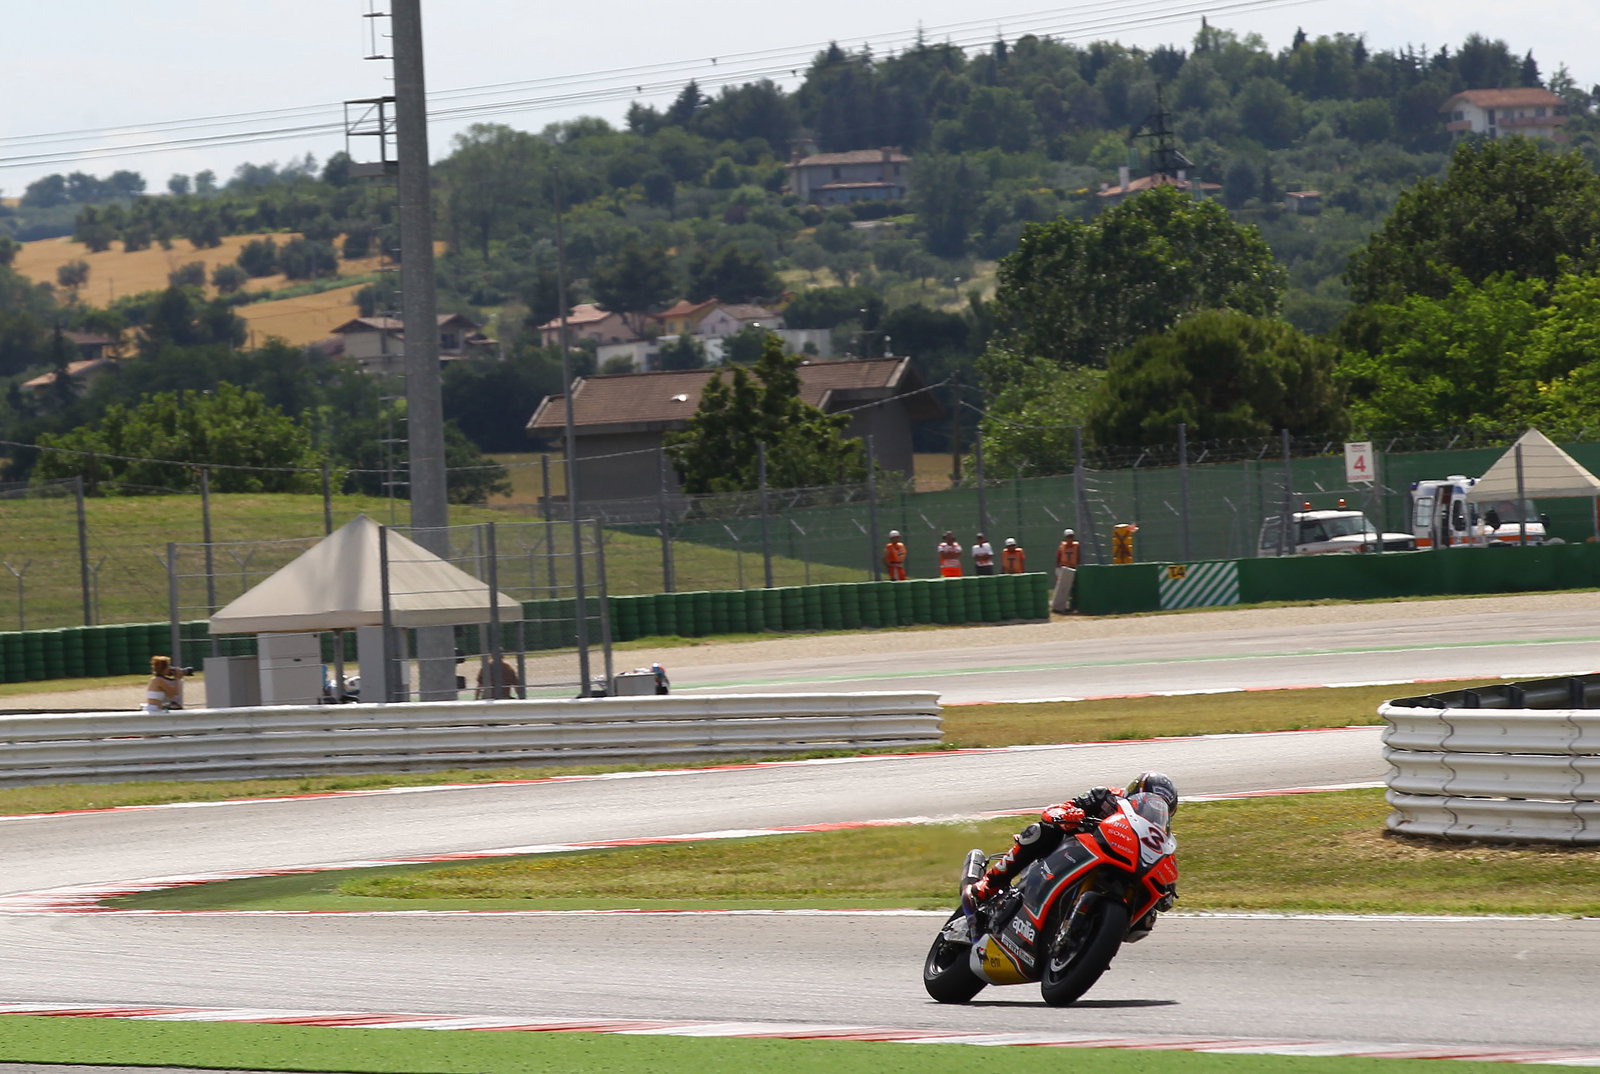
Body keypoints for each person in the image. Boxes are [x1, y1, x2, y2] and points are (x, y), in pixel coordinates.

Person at [969, 771, 1179, 906]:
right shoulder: (1106, 796)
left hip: (1121, 863)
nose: (1151, 810)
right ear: (1134, 793)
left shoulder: (1159, 838)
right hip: (1073, 850)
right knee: (1040, 831)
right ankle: (990, 883)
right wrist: (1067, 816)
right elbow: (1056, 809)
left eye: (1160, 808)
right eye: (1148, 802)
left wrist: (1166, 889)